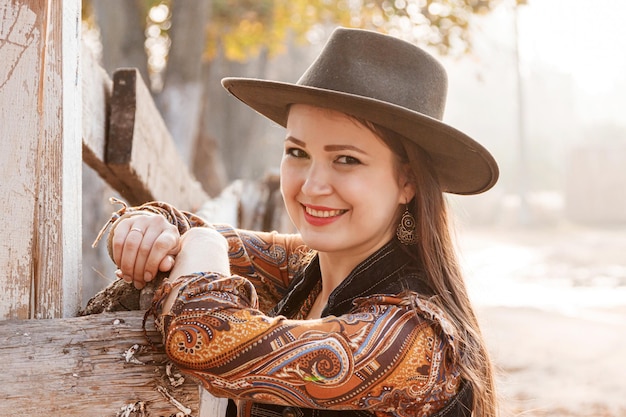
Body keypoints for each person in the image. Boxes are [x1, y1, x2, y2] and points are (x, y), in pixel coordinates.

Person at [99, 27, 499, 417]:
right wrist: (140, 225)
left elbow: (208, 339)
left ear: (407, 181)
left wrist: (202, 243)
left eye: (346, 159)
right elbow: (176, 225)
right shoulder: (305, 264)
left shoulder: (412, 340)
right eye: (297, 152)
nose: (311, 184)